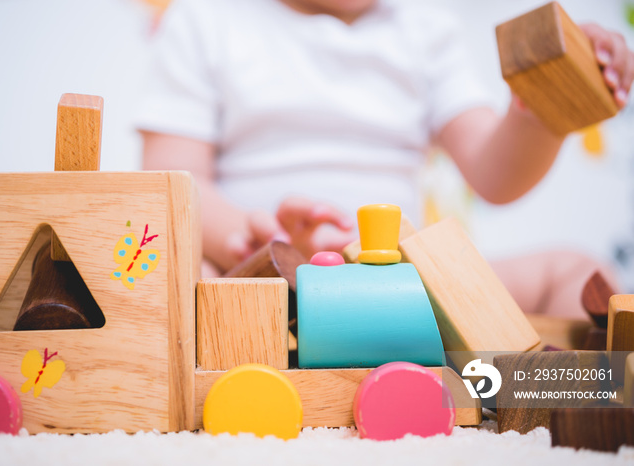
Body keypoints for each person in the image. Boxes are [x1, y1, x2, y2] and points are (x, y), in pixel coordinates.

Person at [136, 0, 633, 317]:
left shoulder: (425, 28)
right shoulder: (204, 19)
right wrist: (271, 243)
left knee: (574, 273)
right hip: (256, 281)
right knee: (173, 281)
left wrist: (543, 110)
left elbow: (494, 174)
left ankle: (563, 392)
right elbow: (174, 183)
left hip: (411, 284)